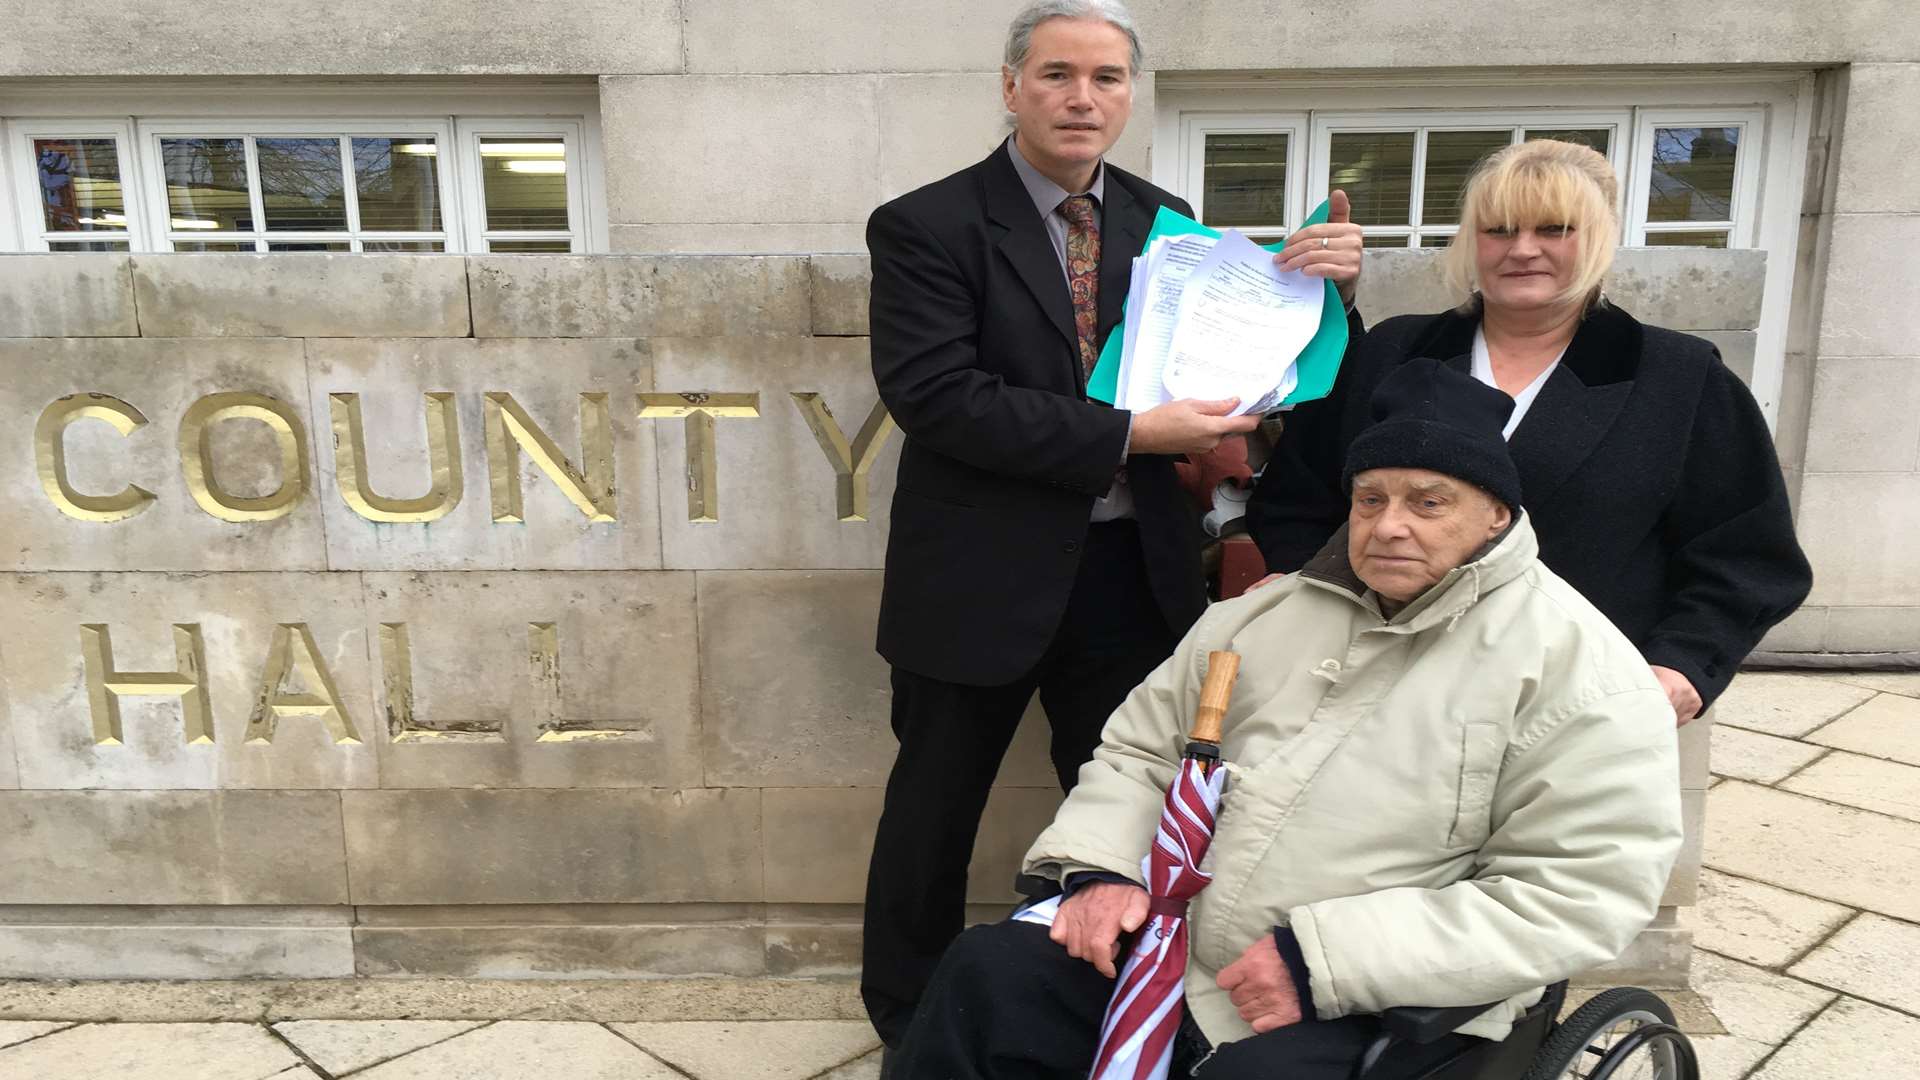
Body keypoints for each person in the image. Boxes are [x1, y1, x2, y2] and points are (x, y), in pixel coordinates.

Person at [891, 358, 1684, 1080]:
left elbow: (1576, 892)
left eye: (1429, 502)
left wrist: (1323, 961)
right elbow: (1140, 753)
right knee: (988, 977)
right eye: (1370, 499)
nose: (1389, 525)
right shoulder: (1261, 616)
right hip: (1175, 947)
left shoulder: (1583, 673)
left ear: (1497, 518)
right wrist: (1101, 870)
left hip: (1376, 990)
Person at [860, 0, 1367, 1053]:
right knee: (933, 810)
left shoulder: (1166, 220)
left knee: (1132, 809)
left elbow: (1250, 370)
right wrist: (1131, 432)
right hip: (978, 573)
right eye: (1056, 75)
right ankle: (909, 1021)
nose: (1081, 98)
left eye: (1105, 78)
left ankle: (1103, 1001)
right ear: (1011, 87)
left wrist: (1323, 301)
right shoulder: (926, 225)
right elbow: (939, 397)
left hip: (1133, 572)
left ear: (1131, 96)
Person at [1246, 138, 1811, 722]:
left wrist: (1686, 663)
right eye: (1499, 230)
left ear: (1596, 239)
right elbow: (1296, 500)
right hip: (1380, 690)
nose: (1522, 250)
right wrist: (1306, 593)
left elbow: (1748, 554)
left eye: (1554, 229)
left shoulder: (1680, 377)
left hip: (1579, 699)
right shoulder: (1393, 351)